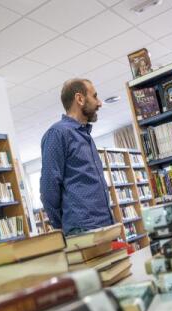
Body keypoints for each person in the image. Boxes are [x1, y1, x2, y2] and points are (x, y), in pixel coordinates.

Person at [40, 78, 114, 235]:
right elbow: (49, 186)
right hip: (82, 229)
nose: (99, 103)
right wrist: (63, 225)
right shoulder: (58, 134)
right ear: (80, 99)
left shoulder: (85, 134)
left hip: (104, 223)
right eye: (94, 96)